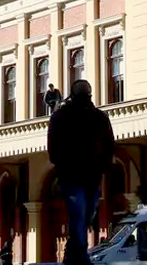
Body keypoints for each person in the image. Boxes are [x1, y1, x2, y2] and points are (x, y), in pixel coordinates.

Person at [48, 80, 114, 265]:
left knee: (88, 213)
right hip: (70, 175)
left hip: (92, 175)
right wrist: (60, 165)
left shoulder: (100, 117)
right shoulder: (61, 117)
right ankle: (80, 256)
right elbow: (53, 144)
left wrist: (103, 166)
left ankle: (71, 250)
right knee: (79, 212)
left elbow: (109, 143)